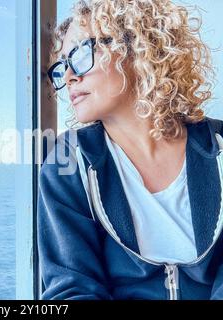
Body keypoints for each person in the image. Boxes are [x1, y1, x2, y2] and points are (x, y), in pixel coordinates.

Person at [37, 0, 223, 300]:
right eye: (62, 67)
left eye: (81, 54)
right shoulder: (68, 164)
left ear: (137, 46)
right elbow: (71, 290)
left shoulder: (219, 146)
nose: (69, 76)